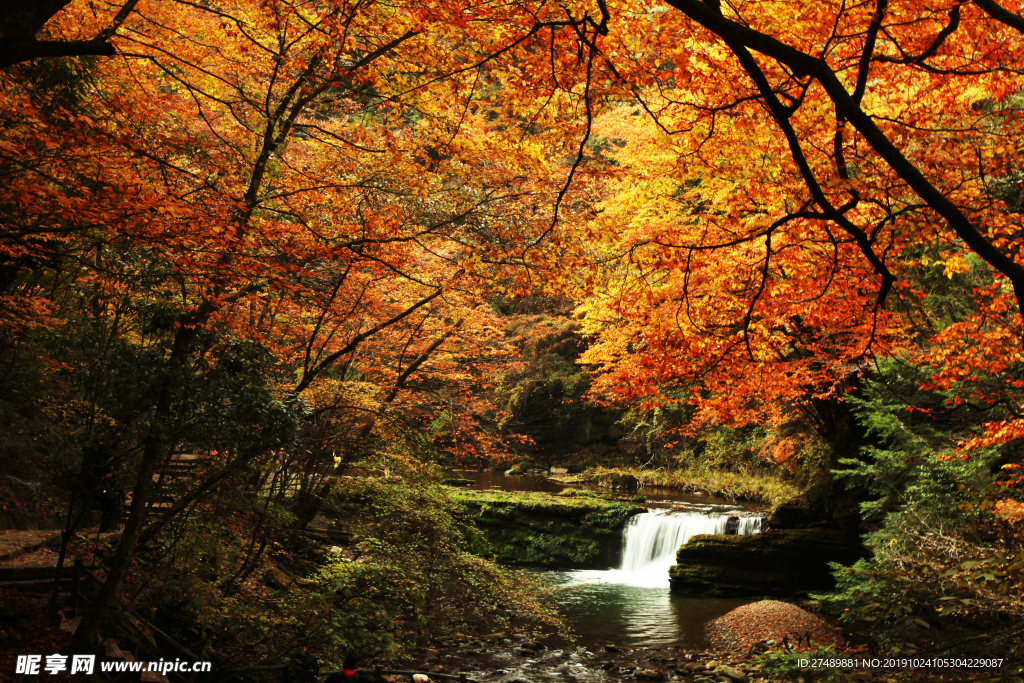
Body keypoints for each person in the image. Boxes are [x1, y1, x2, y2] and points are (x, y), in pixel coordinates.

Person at [95, 466, 120, 532]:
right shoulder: (106, 480)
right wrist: (114, 493)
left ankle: (106, 527)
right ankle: (105, 527)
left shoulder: (105, 480)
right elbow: (107, 490)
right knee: (108, 513)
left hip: (107, 499)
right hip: (108, 499)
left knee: (108, 513)